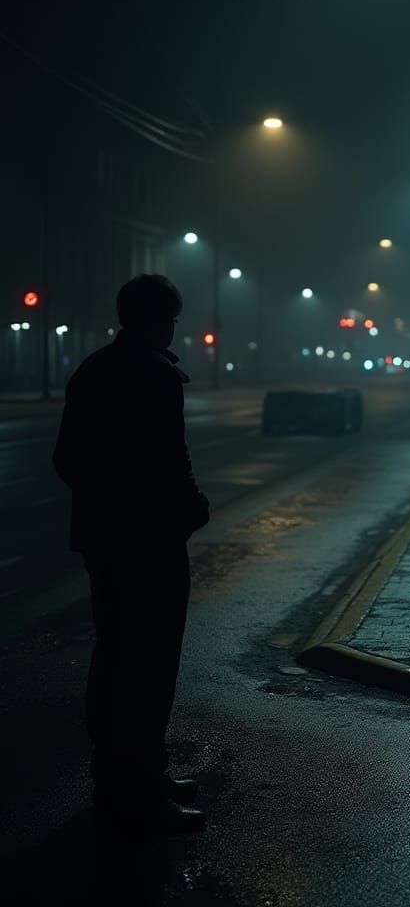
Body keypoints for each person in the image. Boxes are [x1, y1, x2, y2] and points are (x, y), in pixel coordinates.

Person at [53, 274, 210, 834]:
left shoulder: (93, 370)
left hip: (105, 539)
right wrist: (191, 508)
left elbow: (67, 459)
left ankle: (117, 779)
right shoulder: (156, 376)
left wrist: (105, 499)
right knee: (150, 664)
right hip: (151, 541)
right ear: (163, 319)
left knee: (115, 654)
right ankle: (141, 785)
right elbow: (172, 459)